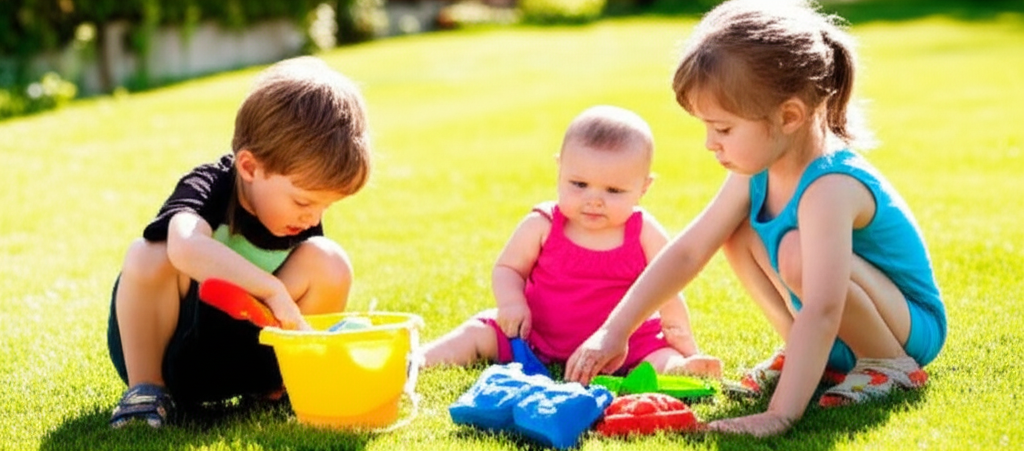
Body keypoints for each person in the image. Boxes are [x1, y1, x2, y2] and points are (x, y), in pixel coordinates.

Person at [564, 0, 947, 437]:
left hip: (906, 330)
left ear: (788, 116)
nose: (710, 143)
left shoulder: (830, 186)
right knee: (737, 231)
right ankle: (805, 356)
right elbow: (690, 250)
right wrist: (615, 331)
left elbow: (822, 308)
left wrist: (777, 415)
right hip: (831, 324)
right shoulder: (758, 170)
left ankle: (888, 365)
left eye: (723, 129)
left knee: (796, 253)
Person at [106, 56, 373, 428]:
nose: (313, 218)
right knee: (150, 253)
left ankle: (287, 382)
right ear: (249, 167)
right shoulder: (210, 186)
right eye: (304, 202)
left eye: (326, 206)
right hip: (174, 352)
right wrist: (272, 289)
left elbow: (310, 285)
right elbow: (183, 246)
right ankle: (146, 392)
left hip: (245, 355)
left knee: (330, 262)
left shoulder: (300, 221)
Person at [421, 105, 722, 379]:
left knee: (659, 357)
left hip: (626, 347)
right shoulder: (543, 224)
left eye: (614, 190)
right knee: (478, 333)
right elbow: (508, 268)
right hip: (535, 336)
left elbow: (667, 285)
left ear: (643, 187)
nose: (594, 200)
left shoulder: (642, 231)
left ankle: (681, 369)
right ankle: (419, 360)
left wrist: (682, 339)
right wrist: (512, 302)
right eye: (579, 184)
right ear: (560, 170)